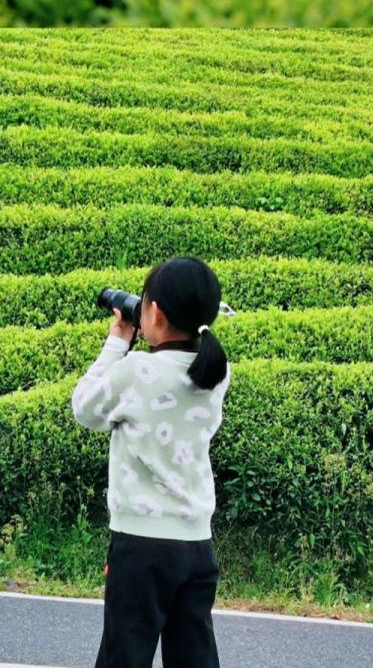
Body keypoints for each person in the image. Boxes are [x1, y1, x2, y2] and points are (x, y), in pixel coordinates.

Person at [71, 256, 230, 668]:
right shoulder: (216, 371)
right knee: (193, 659)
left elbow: (84, 408)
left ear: (154, 313)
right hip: (196, 545)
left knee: (124, 657)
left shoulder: (137, 369)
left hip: (141, 546)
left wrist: (117, 341)